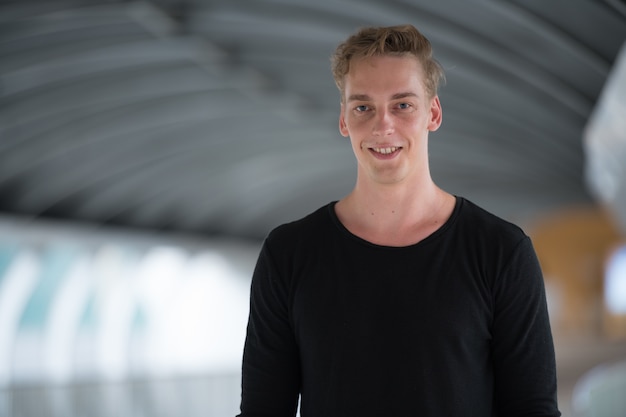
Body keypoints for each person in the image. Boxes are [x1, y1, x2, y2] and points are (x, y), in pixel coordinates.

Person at [237, 24, 560, 417]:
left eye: (402, 105)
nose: (382, 125)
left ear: (433, 113)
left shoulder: (500, 252)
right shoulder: (288, 254)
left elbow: (532, 410)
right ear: (344, 120)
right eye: (363, 107)